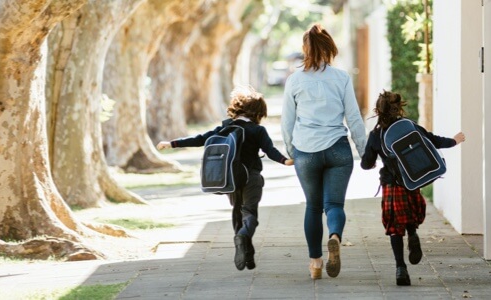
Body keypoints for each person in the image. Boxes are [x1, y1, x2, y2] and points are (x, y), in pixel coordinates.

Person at [157, 86, 293, 271]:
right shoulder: (257, 130)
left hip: (230, 178)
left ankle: (247, 252)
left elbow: (200, 139)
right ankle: (244, 237)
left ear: (236, 108)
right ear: (258, 112)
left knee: (237, 211)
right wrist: (285, 161)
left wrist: (172, 143)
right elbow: (270, 151)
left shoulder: (226, 127)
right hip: (251, 177)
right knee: (250, 213)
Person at [281, 24, 367, 280]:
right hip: (338, 149)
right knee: (334, 205)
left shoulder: (295, 80)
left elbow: (287, 121)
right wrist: (364, 152)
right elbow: (354, 117)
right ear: (330, 48)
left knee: (313, 206)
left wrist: (291, 151)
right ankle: (335, 237)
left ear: (305, 49)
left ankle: (316, 263)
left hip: (306, 150)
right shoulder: (341, 78)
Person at [360, 90, 465, 286]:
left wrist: (371, 162)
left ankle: (401, 268)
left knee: (394, 226)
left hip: (391, 184)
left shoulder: (376, 135)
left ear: (378, 110)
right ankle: (413, 233)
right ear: (399, 108)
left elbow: (366, 163)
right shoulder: (409, 126)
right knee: (410, 215)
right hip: (411, 181)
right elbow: (432, 140)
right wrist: (454, 141)